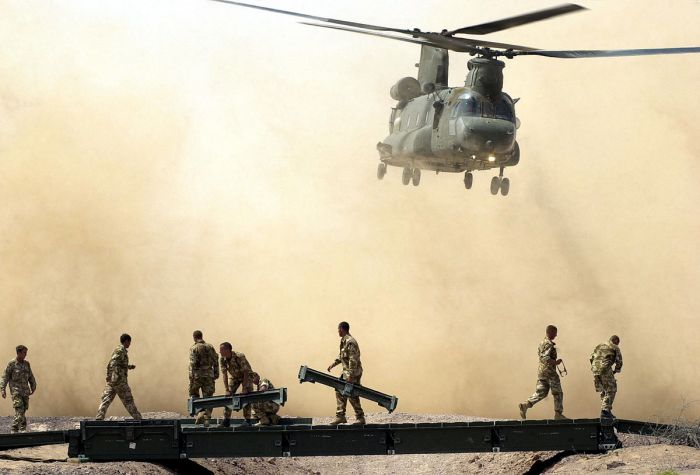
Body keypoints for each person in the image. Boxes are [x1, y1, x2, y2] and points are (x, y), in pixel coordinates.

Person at [519, 325, 568, 420]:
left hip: (541, 372)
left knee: (541, 392)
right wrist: (556, 362)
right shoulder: (548, 344)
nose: (556, 335)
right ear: (549, 332)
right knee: (558, 392)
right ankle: (558, 414)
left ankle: (525, 405)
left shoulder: (542, 343)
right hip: (549, 372)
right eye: (555, 333)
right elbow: (545, 358)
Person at [95, 334, 142, 421]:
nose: (130, 344)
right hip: (119, 381)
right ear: (126, 341)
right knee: (128, 400)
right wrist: (113, 376)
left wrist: (128, 367)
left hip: (112, 381)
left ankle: (99, 418)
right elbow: (113, 363)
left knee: (106, 399)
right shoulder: (121, 350)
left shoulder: (118, 350)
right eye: (129, 342)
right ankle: (138, 418)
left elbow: (115, 364)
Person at [327, 321, 365, 425]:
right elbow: (342, 356)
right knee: (339, 390)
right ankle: (340, 416)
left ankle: (360, 418)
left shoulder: (350, 341)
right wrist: (333, 364)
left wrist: (351, 375)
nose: (337, 332)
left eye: (338, 329)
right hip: (346, 372)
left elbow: (353, 359)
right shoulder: (344, 341)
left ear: (342, 329)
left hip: (353, 372)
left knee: (352, 394)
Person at [0, 345, 37, 433]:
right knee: (19, 409)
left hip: (25, 392)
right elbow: (5, 377)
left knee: (23, 410)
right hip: (16, 391)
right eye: (24, 353)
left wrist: (33, 386)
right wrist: (2, 389)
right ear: (19, 353)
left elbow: (31, 377)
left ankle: (22, 429)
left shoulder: (27, 364)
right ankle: (14, 428)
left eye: (26, 353)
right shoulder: (12, 364)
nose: (25, 355)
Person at [218, 341, 253, 427]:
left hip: (247, 376)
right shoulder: (222, 359)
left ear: (227, 350)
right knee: (228, 396)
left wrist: (244, 388)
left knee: (246, 395)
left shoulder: (239, 356)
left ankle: (247, 420)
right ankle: (226, 420)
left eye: (221, 350)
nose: (220, 352)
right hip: (235, 377)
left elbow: (246, 372)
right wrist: (227, 390)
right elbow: (224, 374)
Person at [189, 330, 219, 426]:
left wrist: (191, 377)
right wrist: (216, 373)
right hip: (209, 376)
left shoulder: (194, 348)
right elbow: (216, 360)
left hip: (197, 376)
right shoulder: (210, 347)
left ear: (194, 337)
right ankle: (207, 419)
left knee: (194, 395)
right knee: (209, 398)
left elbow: (192, 364)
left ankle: (200, 413)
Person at [590, 335, 623, 418]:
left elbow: (591, 358)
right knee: (611, 389)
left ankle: (607, 410)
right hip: (605, 368)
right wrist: (615, 371)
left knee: (604, 390)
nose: (618, 344)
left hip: (595, 370)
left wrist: (596, 369)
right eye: (617, 342)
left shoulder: (599, 346)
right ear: (615, 340)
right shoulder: (614, 346)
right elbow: (619, 361)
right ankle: (605, 411)